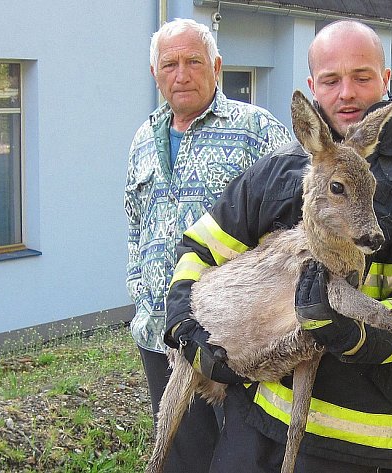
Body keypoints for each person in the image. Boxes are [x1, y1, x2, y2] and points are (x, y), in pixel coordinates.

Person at [165, 19, 392, 473]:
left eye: (362, 76)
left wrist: (347, 332)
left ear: (387, 80)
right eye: (331, 80)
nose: (346, 92)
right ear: (313, 86)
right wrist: (181, 316)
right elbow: (202, 247)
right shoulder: (281, 170)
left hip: (359, 443)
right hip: (258, 421)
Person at [124, 18, 291, 472]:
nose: (182, 74)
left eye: (194, 61)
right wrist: (140, 292)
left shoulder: (255, 129)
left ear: (217, 66)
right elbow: (136, 224)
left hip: (233, 337)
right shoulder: (144, 138)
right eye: (170, 63)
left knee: (243, 456)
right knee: (184, 457)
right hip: (162, 335)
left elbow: (292, 224)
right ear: (155, 74)